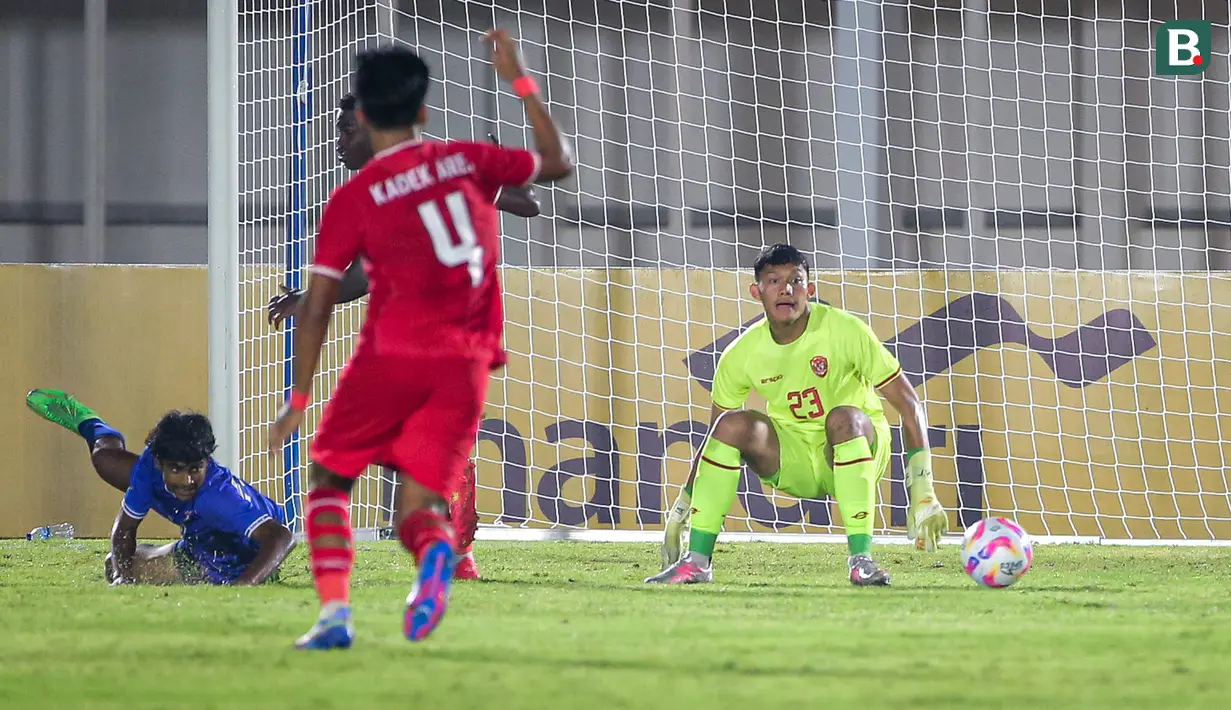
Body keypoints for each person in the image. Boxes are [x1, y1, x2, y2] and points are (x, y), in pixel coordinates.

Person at [267, 29, 573, 650]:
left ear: (362, 115)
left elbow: (320, 307)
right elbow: (557, 165)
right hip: (467, 362)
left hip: (394, 353)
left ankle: (335, 615)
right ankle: (439, 559)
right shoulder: (465, 160)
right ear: (424, 111)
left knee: (328, 479)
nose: (338, 139)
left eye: (344, 127)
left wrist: (296, 400)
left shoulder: (355, 197)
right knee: (418, 507)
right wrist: (518, 79)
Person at [646, 244, 950, 587]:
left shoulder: (845, 330)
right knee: (730, 425)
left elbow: (909, 403)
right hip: (793, 460)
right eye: (773, 280)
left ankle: (861, 561)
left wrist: (923, 488)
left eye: (795, 280)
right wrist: (684, 503)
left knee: (844, 418)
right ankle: (697, 563)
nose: (785, 289)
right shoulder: (741, 353)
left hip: (857, 445)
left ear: (810, 289)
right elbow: (713, 435)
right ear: (756, 292)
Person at [25, 389, 295, 586]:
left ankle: (224, 568)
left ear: (206, 462)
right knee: (105, 462)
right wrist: (122, 579)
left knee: (131, 565)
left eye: (195, 469)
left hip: (234, 553)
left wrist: (244, 585)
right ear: (158, 462)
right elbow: (125, 528)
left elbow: (282, 538)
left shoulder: (218, 497)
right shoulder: (148, 471)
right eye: (177, 469)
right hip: (197, 532)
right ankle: (89, 422)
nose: (187, 481)